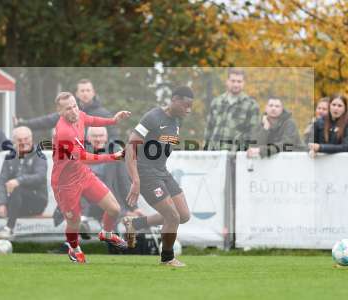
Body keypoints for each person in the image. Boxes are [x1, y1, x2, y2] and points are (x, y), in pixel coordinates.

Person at [51, 92, 131, 264]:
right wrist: (113, 156)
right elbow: (85, 158)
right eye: (68, 109)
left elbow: (92, 120)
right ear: (60, 112)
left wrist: (113, 121)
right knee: (74, 222)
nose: (73, 111)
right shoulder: (64, 131)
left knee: (114, 209)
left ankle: (106, 233)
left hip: (81, 173)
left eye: (74, 106)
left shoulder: (78, 115)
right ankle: (74, 248)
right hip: (65, 184)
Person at [123, 86, 194, 267]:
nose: (189, 110)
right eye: (186, 105)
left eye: (191, 106)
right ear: (175, 100)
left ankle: (136, 224)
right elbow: (130, 148)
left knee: (183, 215)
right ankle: (167, 258)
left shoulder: (178, 121)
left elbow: (162, 145)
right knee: (173, 217)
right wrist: (136, 180)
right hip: (146, 174)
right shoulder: (153, 117)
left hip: (162, 171)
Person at [0, 127, 48, 251]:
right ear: (14, 141)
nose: (23, 142)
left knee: (16, 188)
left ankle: (9, 229)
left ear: (31, 139)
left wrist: (19, 180)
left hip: (36, 201)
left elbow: (40, 177)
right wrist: (1, 203)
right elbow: (1, 182)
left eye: (26, 139)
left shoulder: (39, 154)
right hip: (16, 202)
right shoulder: (10, 156)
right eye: (19, 140)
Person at [15, 79, 120, 141]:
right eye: (82, 90)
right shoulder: (68, 112)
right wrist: (22, 123)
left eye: (88, 90)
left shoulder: (103, 114)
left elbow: (114, 136)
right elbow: (46, 121)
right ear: (77, 94)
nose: (85, 93)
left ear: (93, 93)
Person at [204, 68, 260, 151]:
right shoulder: (216, 102)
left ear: (244, 83)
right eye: (233, 81)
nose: (236, 84)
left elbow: (253, 133)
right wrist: (205, 150)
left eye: (239, 81)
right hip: (214, 153)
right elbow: (209, 129)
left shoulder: (251, 105)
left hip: (236, 155)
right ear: (227, 81)